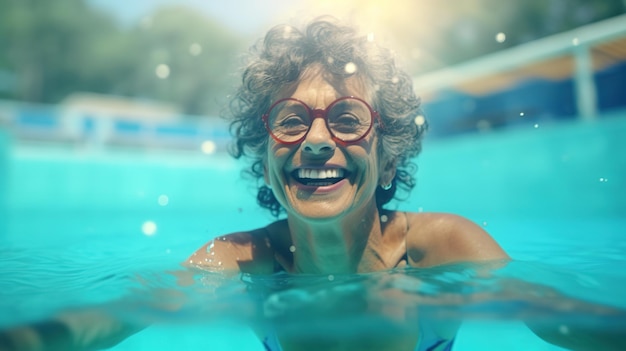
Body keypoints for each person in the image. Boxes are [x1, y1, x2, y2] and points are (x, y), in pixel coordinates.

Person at [1, 16, 624, 351]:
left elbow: (563, 318)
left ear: (387, 145)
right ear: (265, 148)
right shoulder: (243, 260)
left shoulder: (443, 247)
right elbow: (109, 316)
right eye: (291, 120)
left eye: (349, 120)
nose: (318, 141)